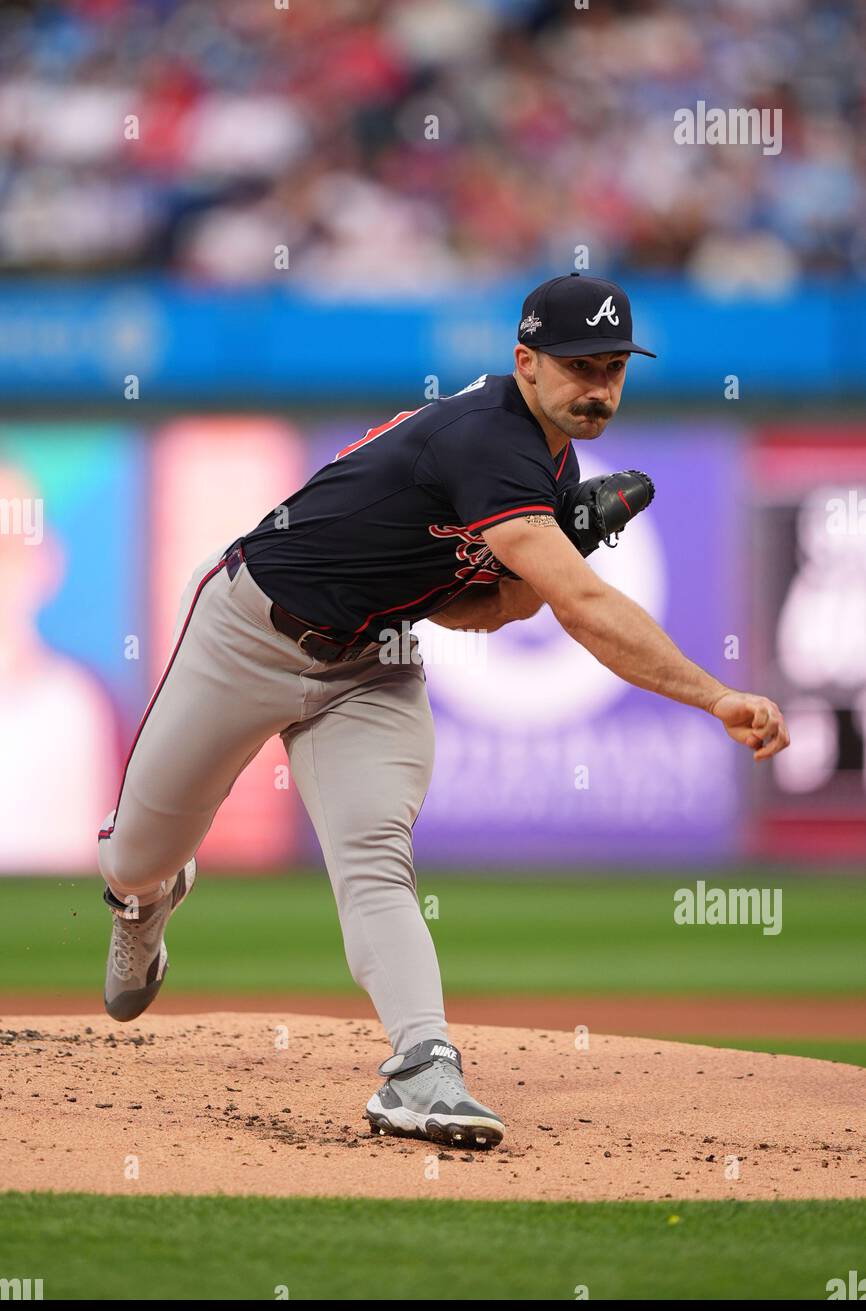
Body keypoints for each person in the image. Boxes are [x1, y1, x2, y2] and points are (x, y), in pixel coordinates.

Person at [97, 273, 789, 1150]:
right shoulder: (487, 439)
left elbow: (484, 610)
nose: (600, 388)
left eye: (615, 367)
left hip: (372, 664)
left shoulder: (550, 464)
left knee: (375, 860)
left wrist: (547, 551)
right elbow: (583, 608)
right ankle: (142, 900)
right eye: (580, 366)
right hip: (251, 631)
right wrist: (714, 691)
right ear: (525, 362)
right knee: (136, 855)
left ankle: (422, 1070)